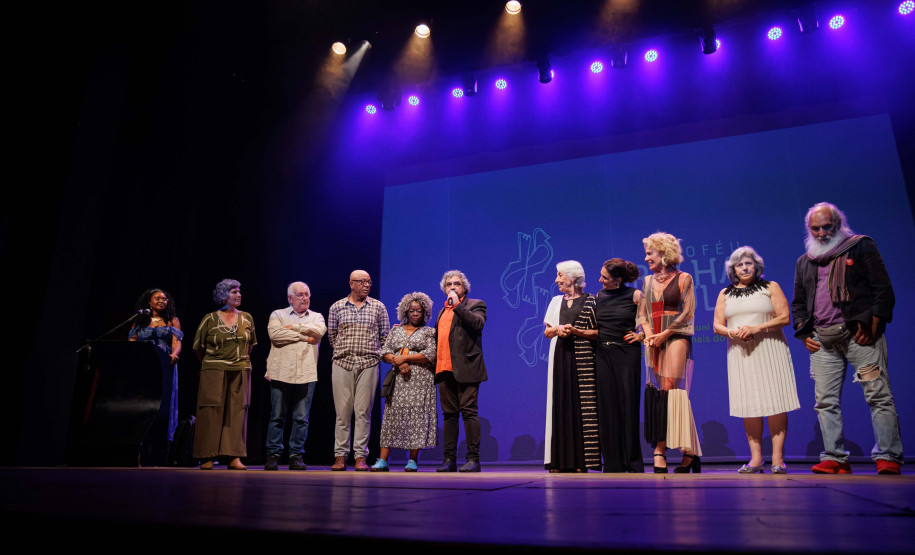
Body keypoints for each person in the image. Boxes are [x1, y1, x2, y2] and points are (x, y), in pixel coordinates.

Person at [792, 202, 903, 475]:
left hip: (859, 336)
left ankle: (888, 456)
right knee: (825, 401)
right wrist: (804, 332)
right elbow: (799, 303)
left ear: (838, 224)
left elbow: (882, 289)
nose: (821, 233)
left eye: (826, 226)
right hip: (823, 341)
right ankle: (835, 457)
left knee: (878, 395)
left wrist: (874, 323)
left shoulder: (860, 246)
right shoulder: (805, 261)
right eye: (815, 229)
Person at [713, 247, 800, 474]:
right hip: (740, 353)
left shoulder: (771, 287)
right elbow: (717, 325)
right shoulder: (725, 293)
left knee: (775, 402)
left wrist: (758, 327)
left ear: (756, 266)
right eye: (739, 264)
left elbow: (784, 317)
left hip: (770, 349)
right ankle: (756, 459)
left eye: (748, 263)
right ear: (732, 269)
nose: (744, 267)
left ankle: (778, 459)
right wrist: (734, 333)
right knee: (749, 403)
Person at [639, 232, 702, 473]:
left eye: (649, 253)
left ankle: (660, 448)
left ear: (663, 253)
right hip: (654, 338)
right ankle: (690, 452)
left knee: (669, 390)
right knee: (664, 394)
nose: (646, 258)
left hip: (676, 335)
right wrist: (648, 334)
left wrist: (664, 334)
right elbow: (642, 314)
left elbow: (687, 313)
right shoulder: (647, 281)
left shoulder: (684, 278)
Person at [327, 269, 390, 471]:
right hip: (342, 363)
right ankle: (340, 456)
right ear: (351, 283)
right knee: (342, 412)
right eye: (362, 282)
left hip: (368, 364)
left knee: (363, 412)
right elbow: (332, 336)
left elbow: (385, 336)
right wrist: (344, 351)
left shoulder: (378, 307)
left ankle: (360, 456)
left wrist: (374, 354)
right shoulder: (337, 307)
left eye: (369, 282)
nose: (366, 285)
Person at [542, 261, 600, 472]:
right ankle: (558, 460)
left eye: (560, 275)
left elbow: (599, 333)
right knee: (560, 403)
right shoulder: (556, 301)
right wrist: (559, 329)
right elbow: (547, 332)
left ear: (573, 277)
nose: (557, 280)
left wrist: (577, 331)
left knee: (580, 407)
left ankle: (580, 461)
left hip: (583, 359)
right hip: (560, 357)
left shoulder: (592, 301)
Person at [192, 279, 256, 470]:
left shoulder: (247, 318)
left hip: (240, 368)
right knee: (210, 411)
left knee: (237, 412)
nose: (239, 295)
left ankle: (233, 456)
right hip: (213, 368)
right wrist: (211, 363)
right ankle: (206, 456)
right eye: (234, 292)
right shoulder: (210, 318)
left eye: (239, 292)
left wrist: (239, 360)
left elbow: (250, 344)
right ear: (223, 295)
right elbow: (198, 347)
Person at [371, 292, 438, 472]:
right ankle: (383, 460)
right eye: (411, 310)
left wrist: (404, 358)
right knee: (391, 418)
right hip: (399, 381)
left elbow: (430, 354)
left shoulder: (429, 332)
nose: (415, 314)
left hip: (421, 381)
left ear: (425, 312)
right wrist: (399, 362)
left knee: (417, 418)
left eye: (419, 310)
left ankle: (412, 460)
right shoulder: (396, 330)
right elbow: (384, 352)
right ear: (405, 312)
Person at [263, 282, 326, 471]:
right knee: (277, 416)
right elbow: (275, 335)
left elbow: (319, 332)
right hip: (280, 371)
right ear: (290, 298)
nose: (305, 298)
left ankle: (295, 455)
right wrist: (304, 336)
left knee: (301, 418)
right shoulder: (278, 314)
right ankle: (273, 455)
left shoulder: (317, 316)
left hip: (306, 373)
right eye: (300, 295)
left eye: (307, 294)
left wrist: (294, 328)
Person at [590, 259, 645, 473]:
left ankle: (633, 461)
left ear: (618, 280)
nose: (600, 280)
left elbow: (650, 321)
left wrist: (640, 335)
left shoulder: (635, 295)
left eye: (604, 277)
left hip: (627, 354)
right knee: (607, 408)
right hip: (603, 353)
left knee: (628, 406)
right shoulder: (599, 296)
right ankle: (613, 462)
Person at [435, 270, 488, 472]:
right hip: (444, 368)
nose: (452, 287)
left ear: (464, 287)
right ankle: (449, 460)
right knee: (449, 415)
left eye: (456, 284)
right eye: (449, 285)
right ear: (444, 289)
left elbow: (477, 324)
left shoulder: (475, 304)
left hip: (467, 368)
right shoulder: (442, 311)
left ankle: (473, 459)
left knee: (468, 412)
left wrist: (457, 305)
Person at [128, 288, 183, 442]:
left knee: (162, 400)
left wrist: (175, 354)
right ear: (149, 302)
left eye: (164, 299)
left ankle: (160, 440)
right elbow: (132, 340)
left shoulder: (172, 320)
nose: (162, 301)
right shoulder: (139, 320)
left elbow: (176, 342)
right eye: (157, 298)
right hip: (143, 362)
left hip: (165, 362)